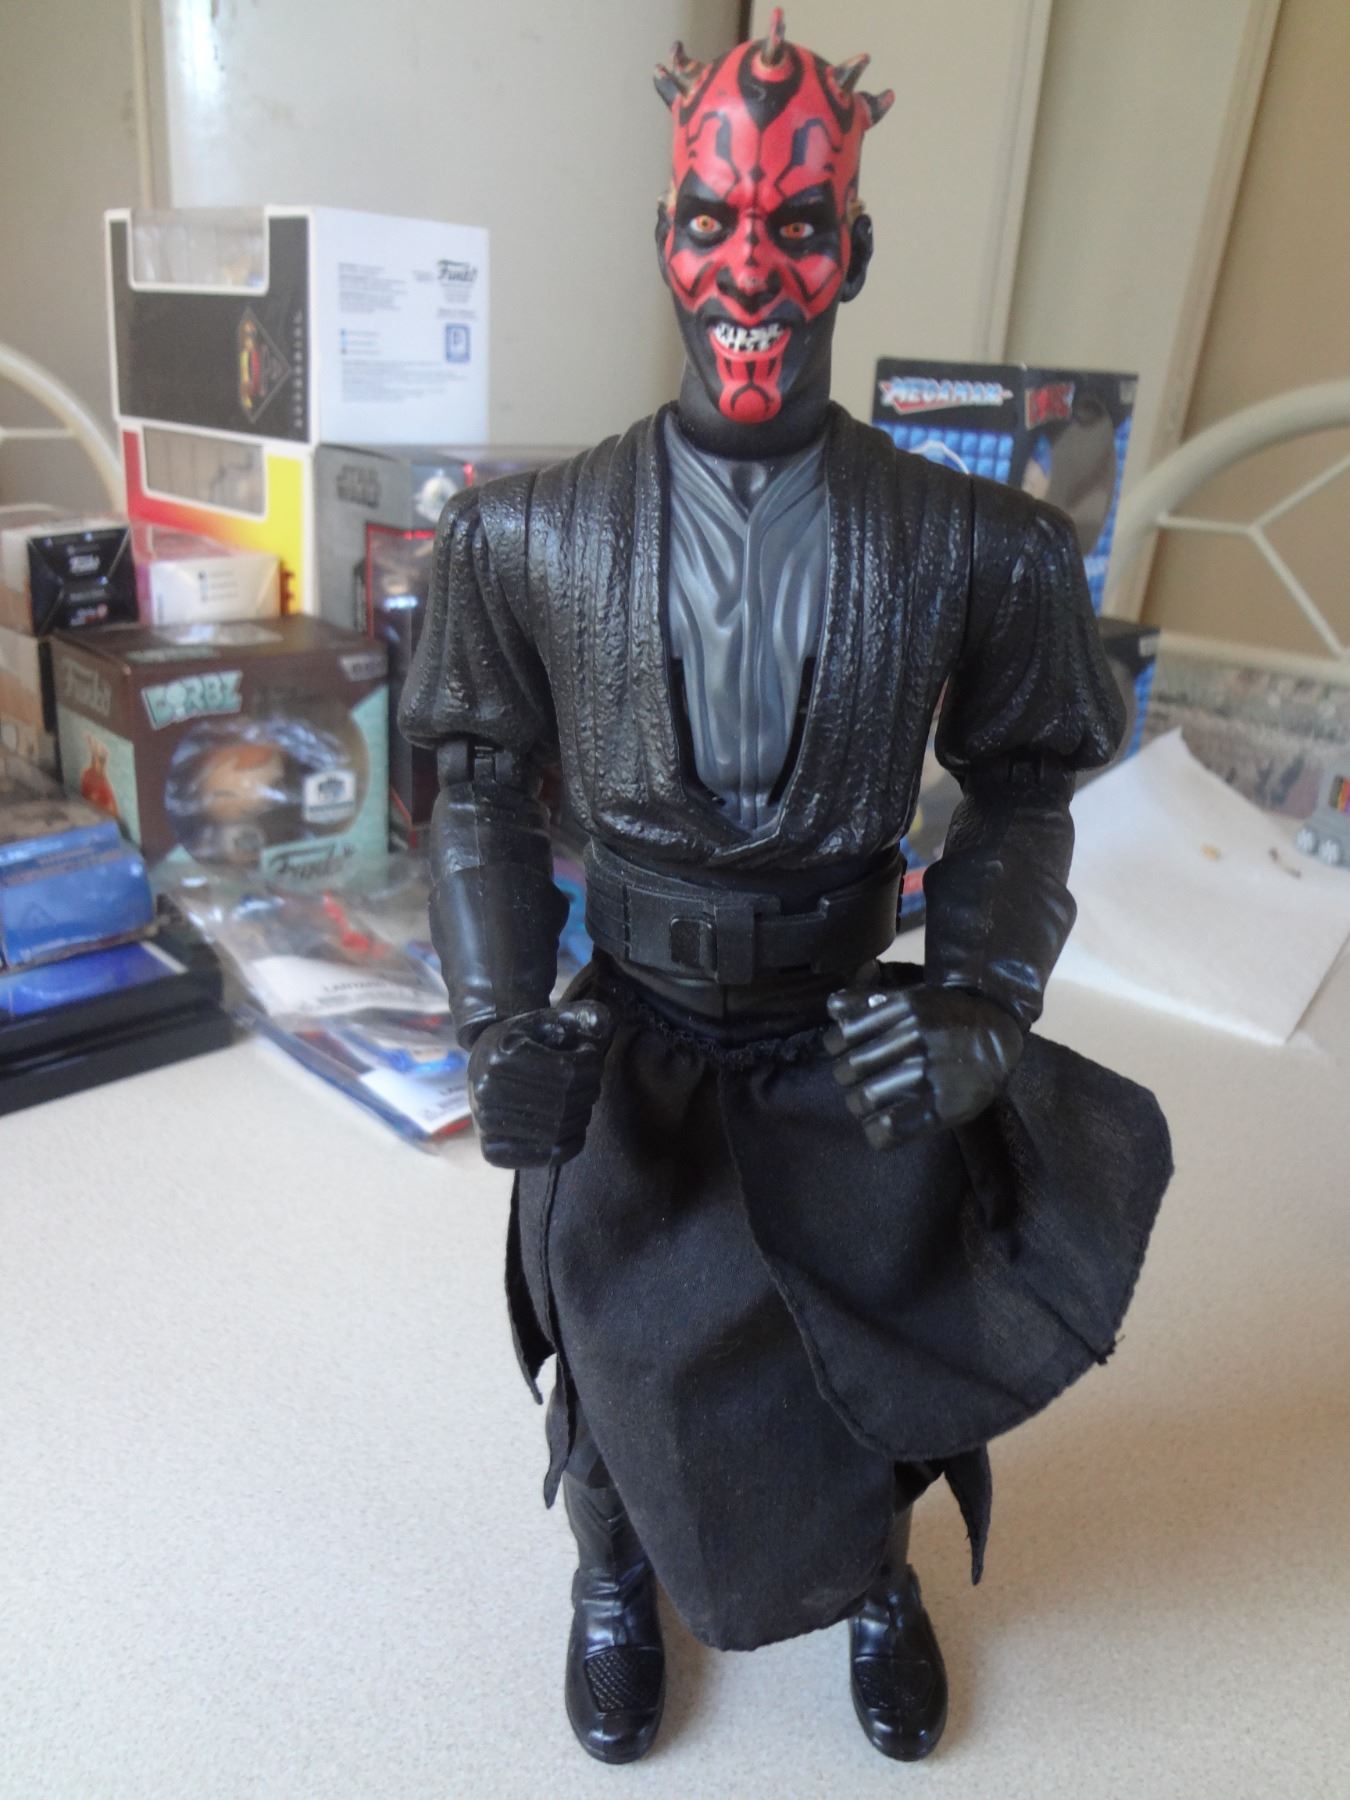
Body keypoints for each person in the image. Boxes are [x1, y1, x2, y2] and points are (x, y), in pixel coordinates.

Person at [400, 9, 1171, 1766]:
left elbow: (1026, 785)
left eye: (796, 225)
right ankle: (613, 1565)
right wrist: (497, 1019)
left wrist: (978, 999)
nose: (751, 267)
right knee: (610, 1323)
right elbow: (476, 793)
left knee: (870, 1323)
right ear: (665, 237)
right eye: (714, 221)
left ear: (853, 251)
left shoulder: (975, 547)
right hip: (628, 1031)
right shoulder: (524, 538)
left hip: (842, 1027)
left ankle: (867, 1567)